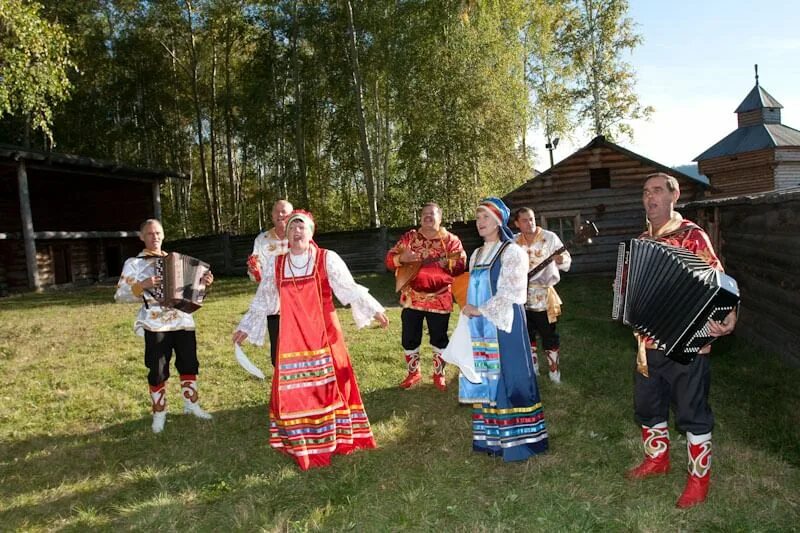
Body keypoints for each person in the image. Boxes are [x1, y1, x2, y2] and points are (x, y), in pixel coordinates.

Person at [234, 210, 388, 470]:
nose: (297, 232)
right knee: (296, 390)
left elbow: (349, 288)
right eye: (293, 227)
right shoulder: (276, 264)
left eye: (302, 227)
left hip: (325, 334)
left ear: (311, 232)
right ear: (287, 234)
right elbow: (264, 299)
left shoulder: (327, 259)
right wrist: (246, 327)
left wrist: (375, 309)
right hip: (292, 336)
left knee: (333, 386)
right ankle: (300, 439)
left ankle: (334, 437)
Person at [625, 172, 737, 508]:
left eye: (657, 191)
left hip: (689, 344)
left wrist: (728, 314)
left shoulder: (693, 236)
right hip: (648, 343)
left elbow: (720, 281)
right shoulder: (641, 241)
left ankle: (698, 480)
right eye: (645, 192)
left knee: (692, 412)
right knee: (648, 405)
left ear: (674, 196)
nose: (650, 198)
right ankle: (657, 460)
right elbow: (633, 287)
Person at [457, 197, 548, 462]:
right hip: (480, 325)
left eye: (485, 217)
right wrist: (471, 310)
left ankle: (520, 441)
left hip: (504, 321)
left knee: (510, 375)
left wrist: (480, 309)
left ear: (498, 221)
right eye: (477, 217)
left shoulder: (512, 252)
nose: (479, 222)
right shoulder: (476, 254)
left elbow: (513, 292)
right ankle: (492, 438)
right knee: (485, 376)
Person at [114, 219, 215, 434]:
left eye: (158, 233)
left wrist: (203, 284)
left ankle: (191, 405)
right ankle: (159, 412)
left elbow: (192, 295)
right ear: (142, 237)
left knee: (189, 363)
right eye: (150, 234)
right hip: (155, 324)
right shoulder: (134, 263)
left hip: (183, 321)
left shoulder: (175, 260)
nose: (155, 237)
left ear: (163, 235)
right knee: (158, 368)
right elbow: (120, 295)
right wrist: (142, 285)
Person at [385, 202, 466, 391]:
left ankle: (439, 375)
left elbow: (462, 264)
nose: (428, 216)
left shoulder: (451, 240)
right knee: (409, 337)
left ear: (440, 217)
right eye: (424, 214)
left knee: (439, 338)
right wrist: (401, 259)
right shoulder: (409, 238)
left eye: (432, 213)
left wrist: (450, 265)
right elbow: (389, 260)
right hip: (412, 297)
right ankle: (414, 373)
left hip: (439, 297)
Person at [512, 207, 571, 383]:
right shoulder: (513, 242)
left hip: (543, 296)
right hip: (521, 297)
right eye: (524, 220)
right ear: (517, 223)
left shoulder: (550, 237)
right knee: (527, 334)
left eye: (531, 219)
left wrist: (561, 260)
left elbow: (566, 258)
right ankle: (533, 369)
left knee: (549, 335)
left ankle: (554, 372)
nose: (529, 223)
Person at [233, 199, 293, 366]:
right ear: (272, 215)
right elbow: (255, 269)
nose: (281, 215)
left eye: (285, 212)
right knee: (278, 353)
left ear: (292, 215)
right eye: (277, 211)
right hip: (273, 303)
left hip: (297, 301)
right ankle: (281, 388)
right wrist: (254, 271)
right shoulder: (262, 239)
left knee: (298, 350)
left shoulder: (298, 235)